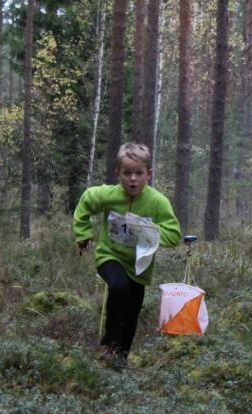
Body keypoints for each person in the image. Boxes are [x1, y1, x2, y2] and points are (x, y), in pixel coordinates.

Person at [73, 142, 181, 368]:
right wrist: (82, 234)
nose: (133, 179)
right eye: (127, 173)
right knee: (119, 286)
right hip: (109, 256)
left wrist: (147, 230)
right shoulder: (107, 195)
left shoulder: (157, 202)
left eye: (139, 173)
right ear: (118, 174)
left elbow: (174, 235)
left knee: (132, 313)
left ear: (149, 174)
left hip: (139, 267)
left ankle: (120, 360)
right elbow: (85, 202)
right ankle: (110, 341)